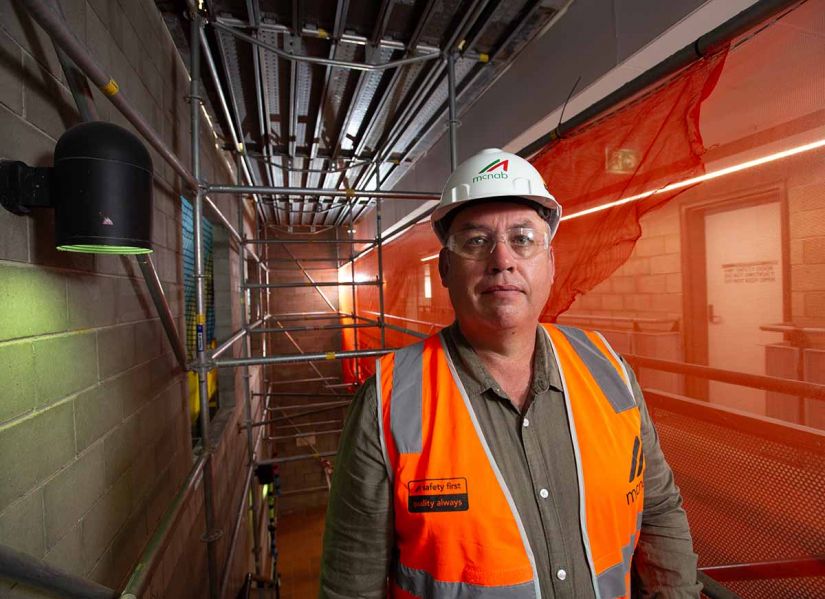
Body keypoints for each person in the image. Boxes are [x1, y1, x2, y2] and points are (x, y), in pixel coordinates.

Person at [320, 148, 700, 598]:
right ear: (445, 268)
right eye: (476, 241)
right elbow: (351, 584)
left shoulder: (608, 370)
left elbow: (657, 511)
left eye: (522, 239)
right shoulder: (387, 402)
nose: (502, 259)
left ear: (551, 265)